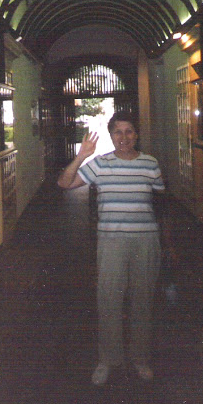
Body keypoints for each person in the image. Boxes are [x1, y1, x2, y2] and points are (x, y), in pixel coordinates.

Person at [57, 111, 166, 386]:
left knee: (143, 300)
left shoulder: (150, 163)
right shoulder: (100, 164)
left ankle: (140, 359)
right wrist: (81, 156)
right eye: (118, 132)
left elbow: (160, 201)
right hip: (111, 241)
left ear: (136, 135)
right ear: (111, 136)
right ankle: (108, 359)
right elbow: (64, 183)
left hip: (145, 240)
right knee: (109, 300)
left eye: (129, 131)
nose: (124, 137)